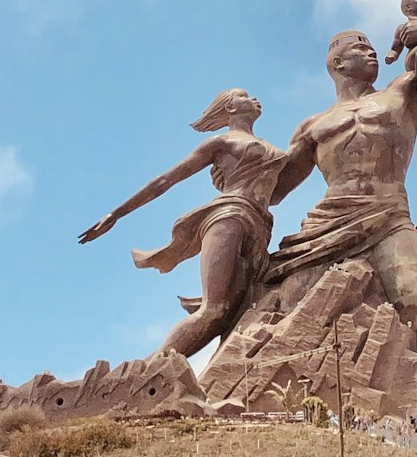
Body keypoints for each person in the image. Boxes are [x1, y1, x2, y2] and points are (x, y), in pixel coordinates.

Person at [268, 15, 417, 348]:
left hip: (389, 215)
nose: (372, 54)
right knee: (290, 309)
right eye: (362, 49)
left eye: (374, 49)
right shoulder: (312, 126)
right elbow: (274, 192)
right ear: (338, 63)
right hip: (327, 224)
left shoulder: (403, 91)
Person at [79, 88, 284, 358]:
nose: (254, 98)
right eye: (244, 95)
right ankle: (148, 372)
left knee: (231, 315)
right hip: (230, 216)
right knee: (213, 309)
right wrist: (116, 214)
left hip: (261, 228)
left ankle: (160, 371)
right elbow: (167, 180)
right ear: (230, 108)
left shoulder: (273, 148)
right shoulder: (222, 142)